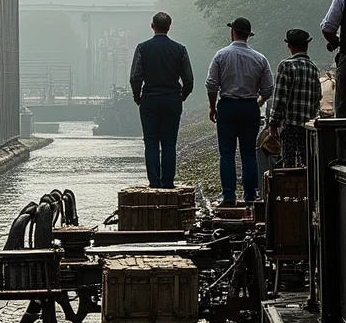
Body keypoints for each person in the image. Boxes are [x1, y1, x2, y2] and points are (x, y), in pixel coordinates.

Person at [207, 17, 273, 204]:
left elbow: (212, 84)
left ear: (232, 32)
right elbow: (268, 88)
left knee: (227, 153)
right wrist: (258, 102)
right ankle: (250, 195)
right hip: (249, 107)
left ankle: (229, 195)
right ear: (248, 36)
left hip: (227, 106)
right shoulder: (259, 58)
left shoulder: (221, 55)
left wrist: (212, 106)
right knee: (249, 154)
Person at [128, 11, 195, 188]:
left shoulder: (143, 48)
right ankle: (168, 182)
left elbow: (135, 76)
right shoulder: (180, 49)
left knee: (150, 142)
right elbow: (188, 78)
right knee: (169, 143)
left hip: (150, 99)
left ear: (152, 26)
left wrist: (137, 96)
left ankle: (154, 182)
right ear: (169, 27)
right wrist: (183, 95)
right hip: (172, 99)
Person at [267, 28, 320, 169]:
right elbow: (317, 98)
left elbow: (279, 98)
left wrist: (273, 123)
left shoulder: (286, 66)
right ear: (306, 46)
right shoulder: (314, 69)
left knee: (289, 163)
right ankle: (308, 189)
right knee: (307, 162)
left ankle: (290, 188)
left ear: (290, 46)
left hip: (289, 124)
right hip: (307, 126)